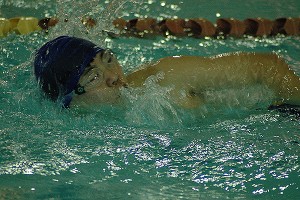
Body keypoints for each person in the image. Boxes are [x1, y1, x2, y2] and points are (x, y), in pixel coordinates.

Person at [34, 36, 300, 111]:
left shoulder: (165, 78)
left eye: (109, 60)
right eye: (93, 76)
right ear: (69, 98)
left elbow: (268, 67)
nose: (113, 75)